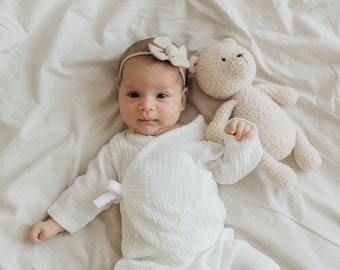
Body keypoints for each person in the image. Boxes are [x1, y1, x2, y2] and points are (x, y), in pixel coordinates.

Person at [29, 37, 280, 270]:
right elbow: (91, 185)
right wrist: (56, 222)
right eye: (133, 94)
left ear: (182, 100)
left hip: (214, 249)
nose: (146, 105)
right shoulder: (120, 148)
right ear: (119, 95)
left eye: (161, 96)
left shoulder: (197, 135)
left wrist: (241, 143)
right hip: (153, 259)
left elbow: (228, 173)